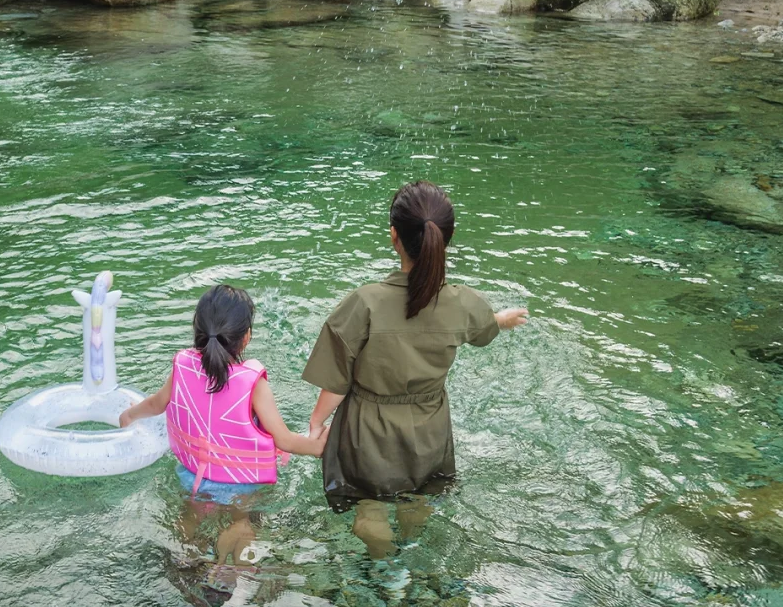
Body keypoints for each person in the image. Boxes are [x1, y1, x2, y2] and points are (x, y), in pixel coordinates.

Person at [303, 181, 528, 558]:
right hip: (429, 429)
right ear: (445, 239)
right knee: (418, 501)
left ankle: (386, 572)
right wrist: (502, 320)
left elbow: (336, 383)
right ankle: (414, 570)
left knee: (368, 508)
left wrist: (315, 424)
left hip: (368, 431)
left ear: (394, 236)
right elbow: (482, 326)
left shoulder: (364, 303)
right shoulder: (464, 302)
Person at [121, 284, 327, 564]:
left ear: (197, 330)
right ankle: (239, 576)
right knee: (241, 525)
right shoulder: (254, 385)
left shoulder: (182, 368)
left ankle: (186, 565)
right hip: (241, 486)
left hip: (193, 478)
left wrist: (130, 415)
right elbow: (285, 440)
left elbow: (157, 404)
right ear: (246, 337)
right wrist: (319, 447)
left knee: (189, 520)